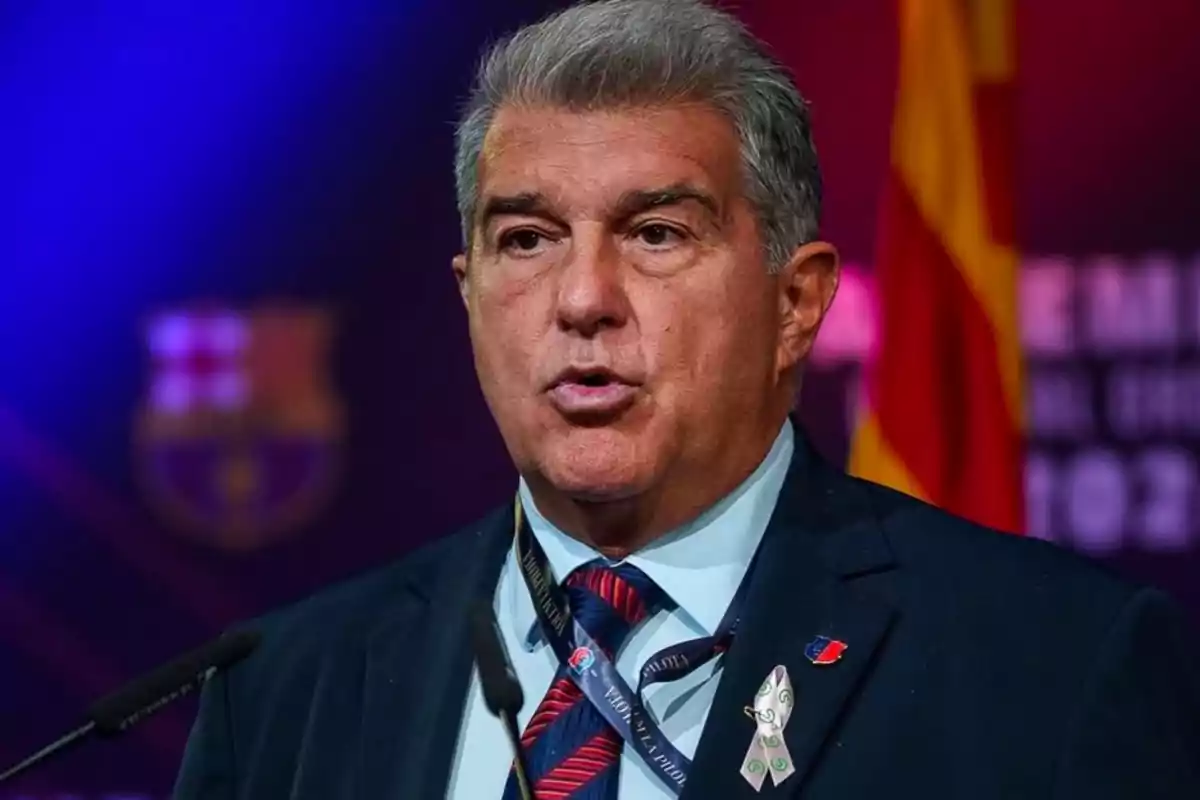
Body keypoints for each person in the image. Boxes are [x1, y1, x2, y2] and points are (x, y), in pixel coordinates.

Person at [173, 1, 1200, 797]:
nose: (582, 299)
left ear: (796, 304)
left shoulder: (1047, 664)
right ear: (469, 293)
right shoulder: (281, 691)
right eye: (526, 239)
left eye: (657, 233)